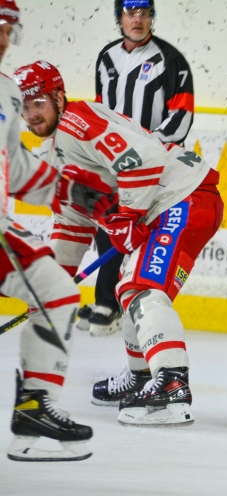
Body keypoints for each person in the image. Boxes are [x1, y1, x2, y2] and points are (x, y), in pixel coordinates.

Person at [15, 59, 223, 427]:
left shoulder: (76, 122)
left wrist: (127, 216)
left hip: (182, 197)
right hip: (168, 204)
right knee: (129, 287)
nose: (32, 114)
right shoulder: (52, 152)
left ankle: (172, 385)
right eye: (25, 105)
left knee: (138, 286)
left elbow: (144, 160)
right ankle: (143, 376)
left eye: (39, 102)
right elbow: (72, 224)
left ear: (59, 98)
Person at [0, 0, 112, 460]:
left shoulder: (6, 90)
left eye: (10, 28)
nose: (4, 38)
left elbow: (19, 167)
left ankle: (32, 411)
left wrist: (78, 195)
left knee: (59, 292)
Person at [80, 0, 195, 336]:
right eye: (131, 13)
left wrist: (148, 151)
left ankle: (125, 306)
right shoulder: (107, 58)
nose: (138, 19)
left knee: (141, 236)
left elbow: (181, 116)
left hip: (153, 167)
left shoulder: (171, 60)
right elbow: (103, 110)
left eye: (144, 13)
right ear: (120, 17)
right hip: (112, 162)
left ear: (152, 17)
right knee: (109, 224)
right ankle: (106, 301)